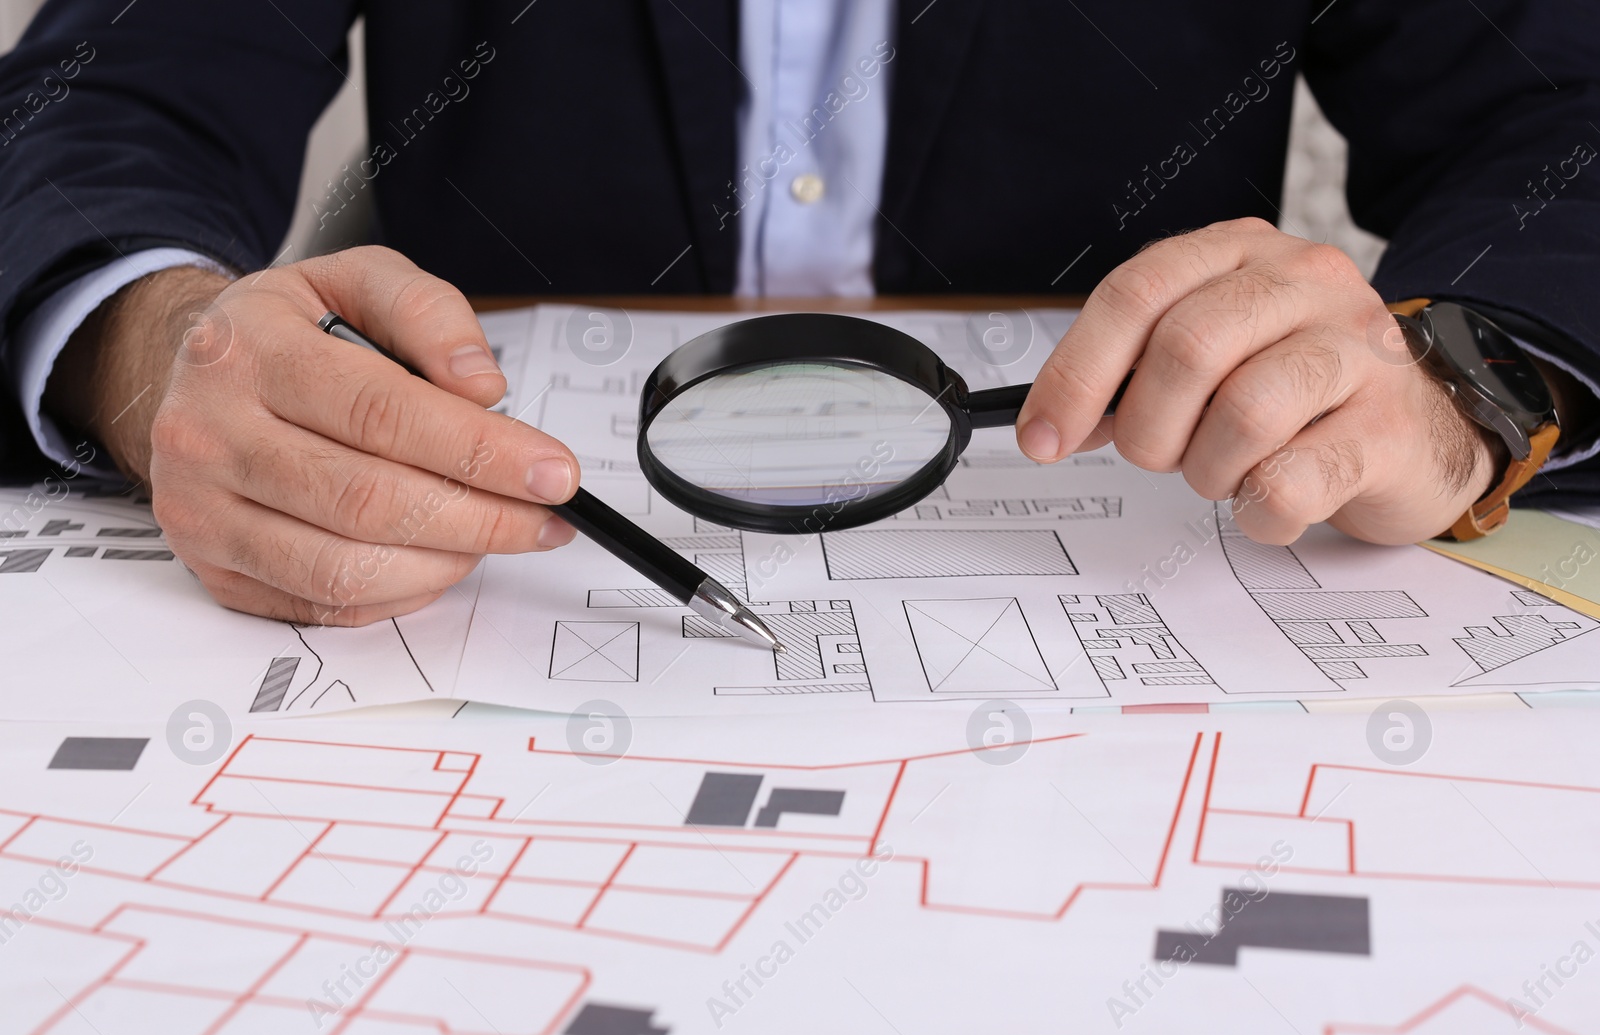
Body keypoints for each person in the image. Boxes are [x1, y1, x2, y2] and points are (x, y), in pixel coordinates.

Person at [1, 0, 1596, 625]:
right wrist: (150, 345)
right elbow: (95, 100)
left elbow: (1562, 126)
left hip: (1117, 519)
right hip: (486, 512)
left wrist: (1462, 379)